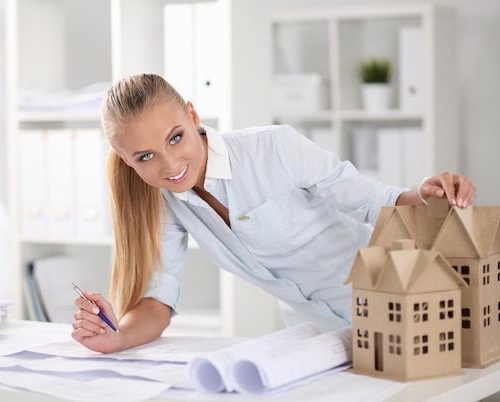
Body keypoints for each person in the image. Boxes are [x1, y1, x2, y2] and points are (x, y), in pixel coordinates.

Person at [71, 73, 476, 354]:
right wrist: (117, 337)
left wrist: (425, 194)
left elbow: (373, 201)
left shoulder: (274, 148)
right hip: (322, 343)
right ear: (127, 161)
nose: (171, 163)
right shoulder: (162, 202)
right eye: (146, 156)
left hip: (397, 308)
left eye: (175, 137)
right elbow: (157, 303)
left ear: (193, 117)